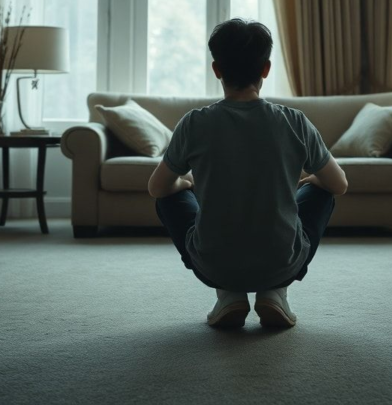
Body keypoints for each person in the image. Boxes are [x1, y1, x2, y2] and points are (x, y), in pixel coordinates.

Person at [148, 18, 348, 329]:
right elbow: (339, 183)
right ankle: (274, 291)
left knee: (169, 197)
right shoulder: (294, 122)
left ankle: (229, 293)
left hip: (214, 265)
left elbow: (156, 188)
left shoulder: (195, 123)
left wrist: (184, 183)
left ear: (217, 69)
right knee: (323, 191)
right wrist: (310, 180)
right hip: (283, 263)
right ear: (266, 69)